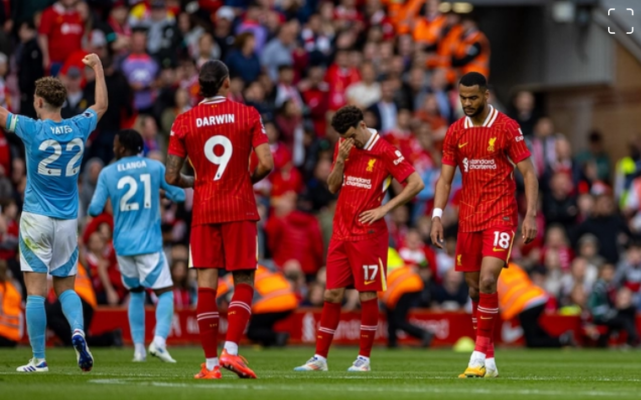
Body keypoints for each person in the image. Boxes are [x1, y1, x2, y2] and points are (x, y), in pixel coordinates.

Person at [165, 60, 274, 380]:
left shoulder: (183, 121)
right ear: (226, 83)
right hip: (239, 208)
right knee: (243, 281)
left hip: (204, 211)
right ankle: (232, 351)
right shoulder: (248, 114)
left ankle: (211, 365)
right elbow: (266, 163)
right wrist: (245, 181)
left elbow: (172, 175)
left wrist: (198, 182)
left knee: (206, 287)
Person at [294, 105, 424, 372]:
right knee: (331, 293)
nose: (349, 140)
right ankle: (320, 358)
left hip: (369, 233)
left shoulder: (386, 150)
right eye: (345, 137)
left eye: (352, 135)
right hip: (341, 230)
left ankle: (363, 359)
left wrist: (385, 209)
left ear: (363, 126)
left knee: (367, 294)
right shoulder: (344, 146)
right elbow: (332, 187)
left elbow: (416, 183)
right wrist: (340, 160)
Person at [0, 53, 107, 372]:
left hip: (36, 218)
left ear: (39, 101)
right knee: (66, 288)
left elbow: (2, 115)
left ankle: (39, 358)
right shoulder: (78, 126)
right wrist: (98, 69)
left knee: (35, 291)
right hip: (67, 221)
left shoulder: (32, 129)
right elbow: (101, 106)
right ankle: (77, 331)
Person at [430, 72, 538, 378]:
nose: (467, 103)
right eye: (463, 98)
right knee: (475, 289)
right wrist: (437, 215)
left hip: (501, 215)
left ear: (486, 95)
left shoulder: (506, 127)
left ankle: (477, 356)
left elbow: (529, 174)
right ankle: (489, 361)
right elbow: (446, 179)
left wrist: (529, 215)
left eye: (472, 97)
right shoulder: (454, 132)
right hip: (468, 218)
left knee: (489, 280)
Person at [88, 129, 185, 363]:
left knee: (136, 293)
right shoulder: (154, 167)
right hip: (149, 243)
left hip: (122, 246)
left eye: (115, 144)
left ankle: (139, 349)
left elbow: (93, 209)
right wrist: (160, 193)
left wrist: (117, 199)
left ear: (122, 147)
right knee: (165, 293)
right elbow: (180, 196)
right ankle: (159, 342)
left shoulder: (108, 173)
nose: (113, 148)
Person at [498, 263, 574, 348]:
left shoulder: (493, 273)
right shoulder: (512, 266)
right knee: (535, 329)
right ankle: (563, 338)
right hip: (538, 296)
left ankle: (561, 340)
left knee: (531, 341)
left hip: (525, 304)